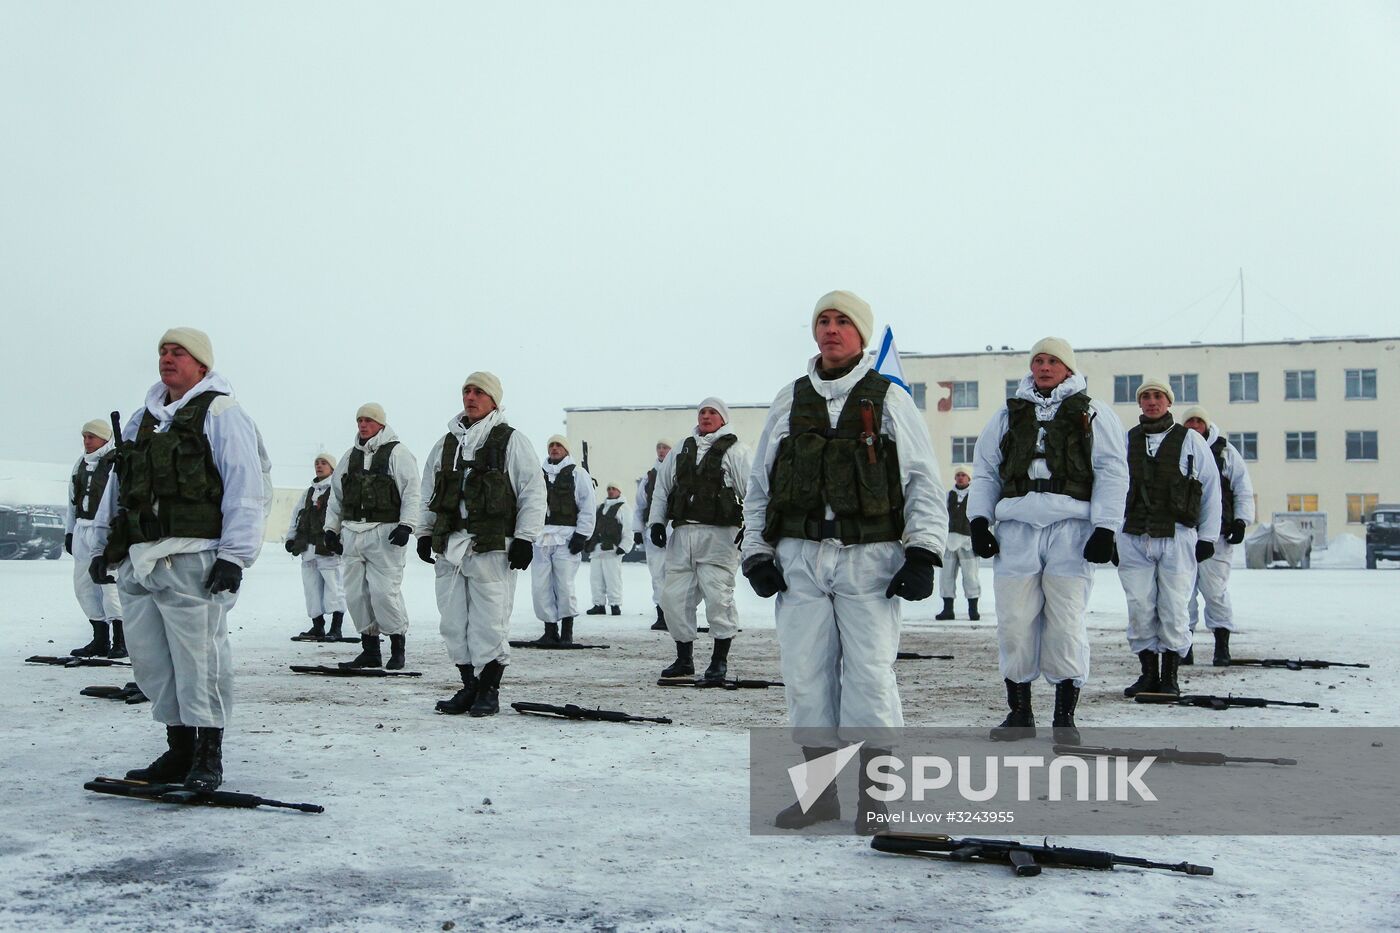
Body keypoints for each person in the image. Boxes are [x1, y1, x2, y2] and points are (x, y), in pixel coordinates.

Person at [742, 290, 947, 834]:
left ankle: (876, 801)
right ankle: (819, 798)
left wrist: (923, 552)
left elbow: (924, 481)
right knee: (805, 678)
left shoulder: (888, 399)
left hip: (870, 559)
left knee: (870, 678)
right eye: (823, 321)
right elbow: (760, 484)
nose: (831, 330)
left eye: (843, 322)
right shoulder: (789, 400)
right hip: (801, 559)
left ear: (861, 333)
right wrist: (757, 552)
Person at [90, 327, 271, 790]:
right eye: (163, 352)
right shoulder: (140, 419)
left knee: (200, 660)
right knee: (152, 661)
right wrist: (101, 548)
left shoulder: (223, 414)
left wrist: (235, 557)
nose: (168, 359)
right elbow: (118, 487)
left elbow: (246, 488)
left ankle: (208, 754)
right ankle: (178, 749)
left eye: (179, 352)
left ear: (202, 364)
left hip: (194, 558)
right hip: (140, 557)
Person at [968, 337, 1129, 745]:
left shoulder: (1093, 413)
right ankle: (1020, 712)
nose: (1043, 367)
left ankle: (1064, 715)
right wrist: (979, 520)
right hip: (1017, 527)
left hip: (1071, 529)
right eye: (1038, 360)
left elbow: (1112, 470)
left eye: (1052, 361)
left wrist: (1106, 527)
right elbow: (985, 470)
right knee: (1014, 621)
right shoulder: (1007, 415)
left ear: (1069, 368)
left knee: (1066, 620)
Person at [418, 372, 545, 717]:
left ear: (493, 400)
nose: (470, 397)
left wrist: (525, 538)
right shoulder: (446, 443)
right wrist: (424, 532)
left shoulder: (512, 441)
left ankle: (489, 689)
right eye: (466, 391)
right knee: (453, 622)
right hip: (451, 546)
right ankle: (469, 686)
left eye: (478, 392)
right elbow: (428, 491)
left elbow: (533, 492)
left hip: (492, 547)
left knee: (490, 622)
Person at [1117, 380, 1221, 697]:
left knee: (1174, 606)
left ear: (1168, 402)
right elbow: (1109, 486)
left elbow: (1210, 488)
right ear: (1139, 403)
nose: (1151, 402)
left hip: (1177, 534)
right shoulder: (1126, 440)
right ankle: (1148, 673)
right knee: (1139, 605)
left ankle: (1170, 676)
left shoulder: (1190, 440)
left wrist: (1208, 536)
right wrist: (1106, 532)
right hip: (1134, 533)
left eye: (1157, 396)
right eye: (1145, 397)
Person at [649, 398, 752, 683]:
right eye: (703, 412)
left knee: (719, 598)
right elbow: (662, 488)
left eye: (713, 412)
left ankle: (719, 661)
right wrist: (656, 521)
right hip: (682, 535)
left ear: (723, 418)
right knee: (673, 598)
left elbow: (753, 492)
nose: (706, 416)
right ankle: (684, 659)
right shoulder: (682, 449)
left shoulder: (736, 450)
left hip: (719, 537)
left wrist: (752, 529)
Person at [324, 404, 420, 670]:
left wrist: (407, 525)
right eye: (359, 421)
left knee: (383, 593)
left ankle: (397, 646)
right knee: (355, 594)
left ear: (380, 423)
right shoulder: (348, 457)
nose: (362, 425)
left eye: (368, 420)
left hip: (385, 534)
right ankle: (370, 649)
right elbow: (336, 497)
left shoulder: (397, 453)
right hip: (353, 533)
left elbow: (412, 491)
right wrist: (331, 529)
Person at [1181, 405, 1254, 666]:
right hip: (1184, 533)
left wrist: (1241, 521)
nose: (1194, 427)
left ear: (1207, 425)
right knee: (1182, 592)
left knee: (1215, 590)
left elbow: (1242, 489)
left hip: (1219, 536)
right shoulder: (1177, 449)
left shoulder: (1225, 453)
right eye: (1189, 422)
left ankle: (1222, 646)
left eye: (1198, 422)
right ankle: (1183, 647)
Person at [65, 418, 125, 658]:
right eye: (84, 437)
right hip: (82, 530)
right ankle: (99, 638)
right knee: (84, 585)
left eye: (91, 437)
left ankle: (120, 640)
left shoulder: (115, 462)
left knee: (109, 586)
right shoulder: (80, 464)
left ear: (103, 438)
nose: (86, 441)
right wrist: (69, 532)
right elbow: (71, 501)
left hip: (106, 532)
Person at [529, 436, 596, 645]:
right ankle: (550, 630)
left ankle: (567, 631)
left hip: (567, 536)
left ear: (566, 450)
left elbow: (587, 504)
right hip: (540, 537)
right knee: (541, 585)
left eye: (558, 445)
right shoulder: (537, 475)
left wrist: (582, 535)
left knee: (564, 584)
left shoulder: (578, 473)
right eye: (551, 445)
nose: (554, 448)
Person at [284, 453, 347, 640]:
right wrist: (291, 538)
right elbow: (297, 515)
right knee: (311, 587)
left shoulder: (337, 489)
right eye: (317, 463)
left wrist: (341, 541)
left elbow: (342, 516)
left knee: (334, 586)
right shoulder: (309, 492)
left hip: (328, 548)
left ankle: (336, 628)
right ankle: (317, 625)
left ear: (332, 468)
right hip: (308, 547)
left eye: (324, 463)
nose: (319, 466)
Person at [635, 440, 684, 630]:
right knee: (657, 573)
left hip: (676, 529)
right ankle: (661, 615)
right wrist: (638, 531)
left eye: (666, 448)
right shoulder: (649, 477)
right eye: (659, 448)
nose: (662, 451)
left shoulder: (681, 471)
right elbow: (640, 505)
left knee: (678, 573)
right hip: (653, 530)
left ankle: (679, 614)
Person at [935, 466, 980, 621]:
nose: (960, 477)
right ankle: (948, 610)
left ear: (969, 478)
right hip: (949, 540)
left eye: (963, 475)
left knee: (971, 577)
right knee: (946, 576)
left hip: (968, 541)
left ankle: (973, 610)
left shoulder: (975, 496)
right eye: (958, 475)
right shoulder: (948, 495)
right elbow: (940, 515)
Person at [586, 482, 632, 616]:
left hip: (612, 550)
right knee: (595, 579)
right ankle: (598, 604)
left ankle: (615, 604)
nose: (610, 491)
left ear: (619, 491)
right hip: (597, 549)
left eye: (614, 489)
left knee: (613, 579)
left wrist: (624, 547)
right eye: (609, 489)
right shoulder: (600, 508)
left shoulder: (624, 509)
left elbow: (628, 530)